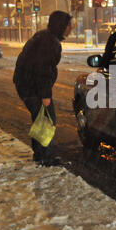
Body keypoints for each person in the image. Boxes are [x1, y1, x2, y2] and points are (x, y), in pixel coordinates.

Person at [13, 11, 73, 165]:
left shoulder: (44, 37)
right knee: (47, 120)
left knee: (40, 119)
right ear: (61, 26)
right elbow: (42, 70)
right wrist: (45, 96)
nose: (71, 28)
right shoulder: (49, 43)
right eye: (68, 25)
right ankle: (46, 157)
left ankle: (40, 155)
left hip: (25, 84)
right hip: (32, 87)